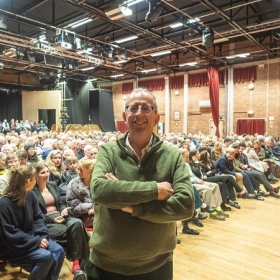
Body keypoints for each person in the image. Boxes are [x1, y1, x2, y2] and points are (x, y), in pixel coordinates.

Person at [86, 87, 194, 280]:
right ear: (124, 115)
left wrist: (132, 207)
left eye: (146, 108)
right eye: (133, 108)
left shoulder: (172, 156)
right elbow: (100, 191)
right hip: (105, 266)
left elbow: (185, 206)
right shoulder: (108, 151)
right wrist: (154, 189)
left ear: (156, 117)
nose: (139, 114)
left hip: (157, 267)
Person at [0, 165, 65, 280]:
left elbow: (38, 219)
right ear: (28, 181)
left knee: (59, 251)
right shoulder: (3, 204)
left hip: (32, 238)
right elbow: (10, 234)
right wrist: (36, 241)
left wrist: (42, 237)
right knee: (46, 257)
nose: (36, 181)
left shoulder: (31, 195)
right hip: (13, 246)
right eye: (34, 178)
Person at [33, 163, 90, 280]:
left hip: (60, 216)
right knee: (79, 233)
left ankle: (78, 266)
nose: (47, 175)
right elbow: (35, 215)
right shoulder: (32, 192)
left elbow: (60, 201)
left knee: (77, 224)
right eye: (43, 172)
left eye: (47, 172)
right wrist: (52, 218)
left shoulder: (52, 185)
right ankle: (79, 266)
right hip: (46, 222)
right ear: (36, 175)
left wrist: (63, 209)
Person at [66, 158, 95, 228]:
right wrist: (93, 207)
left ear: (90, 171)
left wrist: (96, 209)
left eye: (82, 170)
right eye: (78, 169)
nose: (79, 172)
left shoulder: (96, 182)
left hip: (96, 212)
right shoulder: (73, 184)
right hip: (80, 216)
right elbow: (73, 206)